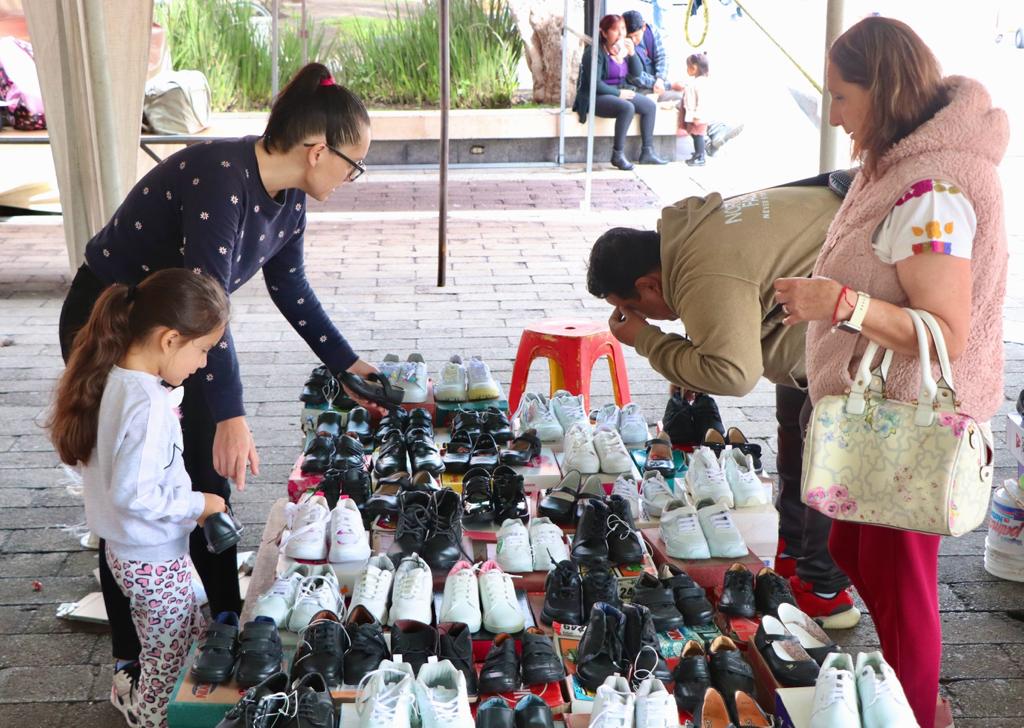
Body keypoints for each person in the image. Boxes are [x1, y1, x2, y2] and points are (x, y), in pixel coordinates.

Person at [56, 62, 375, 721]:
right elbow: (210, 304)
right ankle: (133, 665)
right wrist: (230, 414)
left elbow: (291, 290)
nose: (351, 178)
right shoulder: (222, 179)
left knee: (202, 477)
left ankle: (219, 626)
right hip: (116, 321)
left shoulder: (288, 200)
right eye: (354, 164)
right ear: (318, 150)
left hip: (180, 335)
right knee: (132, 496)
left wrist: (349, 364)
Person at [773, 17, 1007, 727]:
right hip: (885, 419)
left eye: (842, 98)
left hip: (914, 423)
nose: (834, 115)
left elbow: (946, 331)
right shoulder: (904, 167)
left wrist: (838, 304)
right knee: (849, 543)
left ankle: (914, 707)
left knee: (905, 583)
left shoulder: (933, 191)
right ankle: (905, 690)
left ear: (885, 90)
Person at [586, 181, 863, 627]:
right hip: (823, 309)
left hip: (859, 315)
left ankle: (826, 592)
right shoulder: (692, 235)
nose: (640, 321)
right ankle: (794, 556)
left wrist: (649, 341)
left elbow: (733, 373)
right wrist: (690, 360)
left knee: (823, 446)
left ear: (648, 284)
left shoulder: (701, 271)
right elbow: (731, 314)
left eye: (632, 310)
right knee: (795, 420)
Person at [49, 269, 231, 728]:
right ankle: (152, 720)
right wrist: (200, 504)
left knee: (182, 636)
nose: (204, 363)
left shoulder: (114, 378)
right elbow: (136, 494)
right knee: (165, 665)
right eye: (203, 349)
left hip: (127, 552)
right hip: (153, 558)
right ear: (170, 340)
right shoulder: (148, 404)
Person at [573, 14, 668, 171]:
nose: (621, 34)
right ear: (604, 33)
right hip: (594, 96)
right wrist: (619, 94)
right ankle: (617, 154)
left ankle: (647, 152)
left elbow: (637, 73)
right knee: (627, 108)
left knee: (649, 106)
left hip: (616, 92)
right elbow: (594, 84)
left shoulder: (621, 50)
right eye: (615, 30)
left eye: (623, 29)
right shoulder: (594, 52)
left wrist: (632, 54)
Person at [621, 10, 683, 102]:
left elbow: (662, 56)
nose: (633, 40)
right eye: (629, 36)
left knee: (681, 96)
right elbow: (636, 77)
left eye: (636, 35)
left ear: (644, 27)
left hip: (656, 81)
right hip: (635, 87)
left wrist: (661, 79)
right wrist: (669, 85)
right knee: (676, 96)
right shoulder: (622, 42)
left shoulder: (651, 30)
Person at [679, 52, 711, 166]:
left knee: (698, 135)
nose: (687, 69)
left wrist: (698, 115)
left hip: (698, 116)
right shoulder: (696, 81)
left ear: (694, 67)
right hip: (693, 115)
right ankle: (698, 153)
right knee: (694, 134)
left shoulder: (701, 83)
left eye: (688, 67)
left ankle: (700, 156)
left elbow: (702, 101)